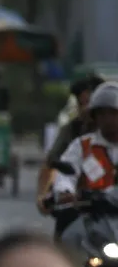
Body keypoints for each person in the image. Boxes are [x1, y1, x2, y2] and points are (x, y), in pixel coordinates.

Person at [37, 75, 105, 234]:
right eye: (82, 103)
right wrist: (48, 195)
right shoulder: (76, 139)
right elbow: (56, 168)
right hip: (81, 201)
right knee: (66, 221)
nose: (86, 109)